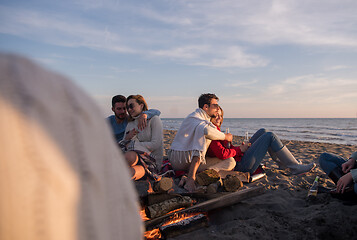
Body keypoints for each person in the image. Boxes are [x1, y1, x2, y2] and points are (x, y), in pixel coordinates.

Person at [0, 53, 143, 240]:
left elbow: (149, 112)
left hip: (123, 153)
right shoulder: (106, 122)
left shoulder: (130, 120)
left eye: (125, 108)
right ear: (112, 109)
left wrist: (146, 114)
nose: (124, 112)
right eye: (120, 109)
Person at [206, 106, 315, 175]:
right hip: (241, 166)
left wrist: (240, 148)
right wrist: (240, 149)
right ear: (210, 117)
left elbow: (226, 150)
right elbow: (222, 154)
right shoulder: (213, 134)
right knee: (269, 136)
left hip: (239, 159)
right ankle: (295, 167)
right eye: (216, 116)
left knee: (263, 131)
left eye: (221, 115)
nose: (219, 118)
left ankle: (283, 164)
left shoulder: (217, 131)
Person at [168, 93, 235, 192]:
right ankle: (192, 179)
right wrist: (226, 137)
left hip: (182, 158)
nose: (217, 108)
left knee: (228, 161)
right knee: (229, 161)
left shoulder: (196, 117)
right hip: (181, 159)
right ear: (206, 107)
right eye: (215, 105)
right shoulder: (199, 121)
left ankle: (197, 176)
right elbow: (206, 133)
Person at [119, 95, 164, 181]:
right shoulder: (130, 124)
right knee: (129, 169)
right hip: (135, 161)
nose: (129, 109)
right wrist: (127, 139)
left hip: (152, 160)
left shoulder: (154, 120)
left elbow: (156, 144)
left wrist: (133, 144)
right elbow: (125, 145)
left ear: (141, 105)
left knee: (129, 156)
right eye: (127, 107)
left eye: (131, 106)